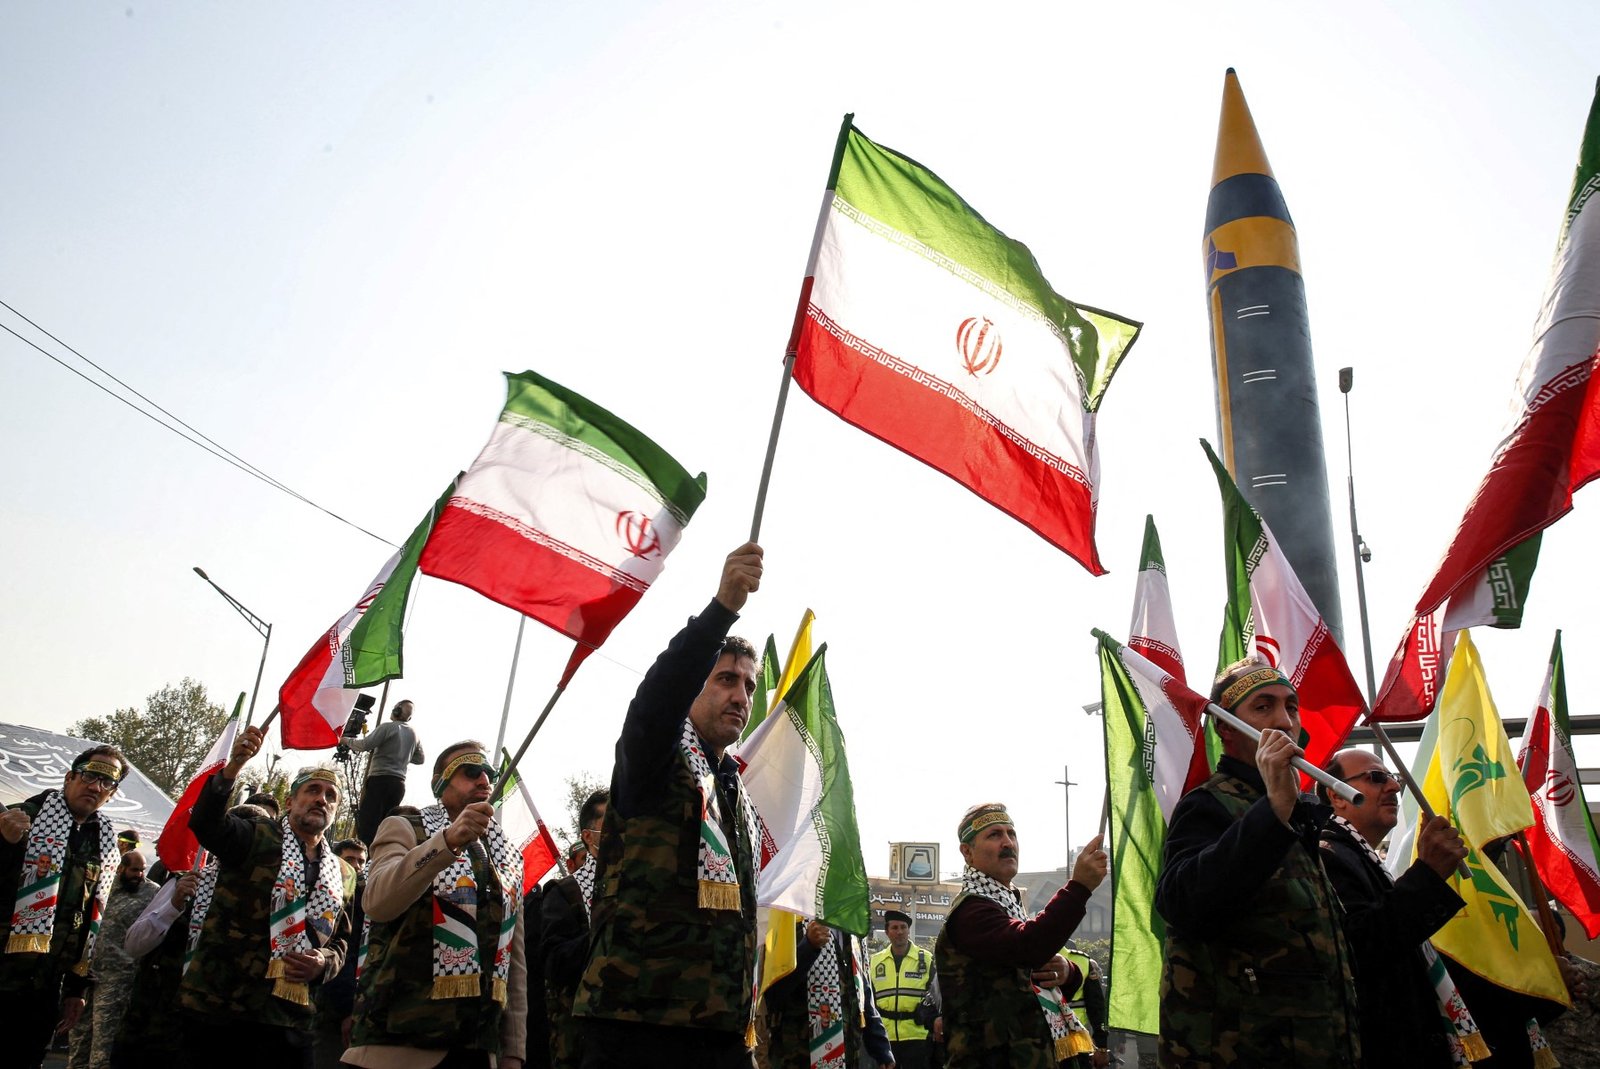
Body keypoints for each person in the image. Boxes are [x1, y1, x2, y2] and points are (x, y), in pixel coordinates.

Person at [572, 541, 765, 1068]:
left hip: (721, 1031)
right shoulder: (656, 757)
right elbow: (656, 701)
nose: (741, 697)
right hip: (638, 1027)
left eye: (749, 686)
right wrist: (721, 610)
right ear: (694, 686)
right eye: (725, 679)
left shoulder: (733, 789)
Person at [1154, 658, 1359, 1069]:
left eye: (1291, 707)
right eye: (1263, 707)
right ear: (1226, 728)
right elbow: (1182, 903)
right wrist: (1273, 810)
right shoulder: (1208, 804)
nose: (1284, 722)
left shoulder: (1300, 813)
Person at [344, 740, 528, 1069]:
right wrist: (446, 842)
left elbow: (513, 957)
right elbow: (377, 902)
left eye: (488, 773)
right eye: (471, 771)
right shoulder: (405, 827)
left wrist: (513, 1050)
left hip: (476, 1047)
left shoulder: (508, 857)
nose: (484, 780)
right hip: (397, 1044)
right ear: (439, 783)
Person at [180, 726, 352, 1069]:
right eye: (312, 790)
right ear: (290, 801)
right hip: (221, 1009)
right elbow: (206, 824)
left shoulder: (344, 873)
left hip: (290, 1018)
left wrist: (323, 963)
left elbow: (341, 941)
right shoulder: (255, 835)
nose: (322, 799)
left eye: (331, 796)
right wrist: (233, 769)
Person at [1316, 748, 1468, 1068]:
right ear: (1337, 796)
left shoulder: (1363, 859)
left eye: (1393, 778)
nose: (1395, 787)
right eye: (1376, 778)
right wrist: (1427, 875)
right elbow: (1360, 947)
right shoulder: (1326, 856)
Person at [935, 803, 1107, 1068]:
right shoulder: (971, 912)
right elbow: (1028, 946)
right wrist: (1078, 888)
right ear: (967, 852)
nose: (1008, 843)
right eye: (994, 835)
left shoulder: (1009, 905)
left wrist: (1067, 972)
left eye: (1011, 834)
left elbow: (1027, 980)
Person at [1, 745, 128, 1069]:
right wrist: (4, 844)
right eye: (89, 776)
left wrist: (76, 988)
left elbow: (89, 919)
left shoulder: (105, 843)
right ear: (70, 777)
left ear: (112, 794)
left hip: (44, 989)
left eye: (107, 783)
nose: (96, 787)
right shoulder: (21, 818)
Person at [67, 848, 159, 1069]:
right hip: (87, 975)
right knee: (79, 1039)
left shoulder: (151, 893)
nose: (139, 875)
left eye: (142, 870)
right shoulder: (102, 887)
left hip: (117, 979)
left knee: (103, 1044)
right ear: (120, 869)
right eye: (134, 870)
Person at [764, 918, 894, 1069]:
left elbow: (862, 992)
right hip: (800, 1056)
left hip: (848, 1055)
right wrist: (808, 946)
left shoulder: (853, 931)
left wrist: (880, 1046)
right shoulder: (791, 921)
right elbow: (772, 992)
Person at [541, 788, 608, 1069]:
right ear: (589, 837)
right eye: (610, 821)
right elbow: (556, 964)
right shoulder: (566, 892)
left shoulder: (647, 882)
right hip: (586, 1041)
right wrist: (607, 930)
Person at [313, 839, 369, 1069]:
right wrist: (347, 1009)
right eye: (349, 860)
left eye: (361, 861)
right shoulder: (325, 893)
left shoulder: (368, 898)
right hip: (327, 1007)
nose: (356, 866)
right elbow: (341, 951)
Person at [346, 698, 425, 844]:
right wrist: (402, 753)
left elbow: (364, 745)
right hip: (399, 784)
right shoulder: (414, 734)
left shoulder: (387, 727)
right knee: (385, 825)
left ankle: (366, 852)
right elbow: (420, 759)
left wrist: (344, 740)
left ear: (396, 710)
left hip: (379, 781)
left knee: (368, 825)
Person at [870, 910, 934, 1069]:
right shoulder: (875, 962)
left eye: (903, 927)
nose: (899, 932)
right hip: (885, 1039)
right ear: (887, 932)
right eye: (895, 928)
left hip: (918, 1038)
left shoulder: (927, 959)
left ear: (908, 930)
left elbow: (937, 997)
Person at [1060, 944, 1107, 1069]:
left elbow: (1096, 1007)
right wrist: (1102, 1047)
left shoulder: (1082, 961)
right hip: (1076, 1042)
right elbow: (1097, 1008)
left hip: (1075, 1041)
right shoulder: (1082, 961)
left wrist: (1101, 1046)